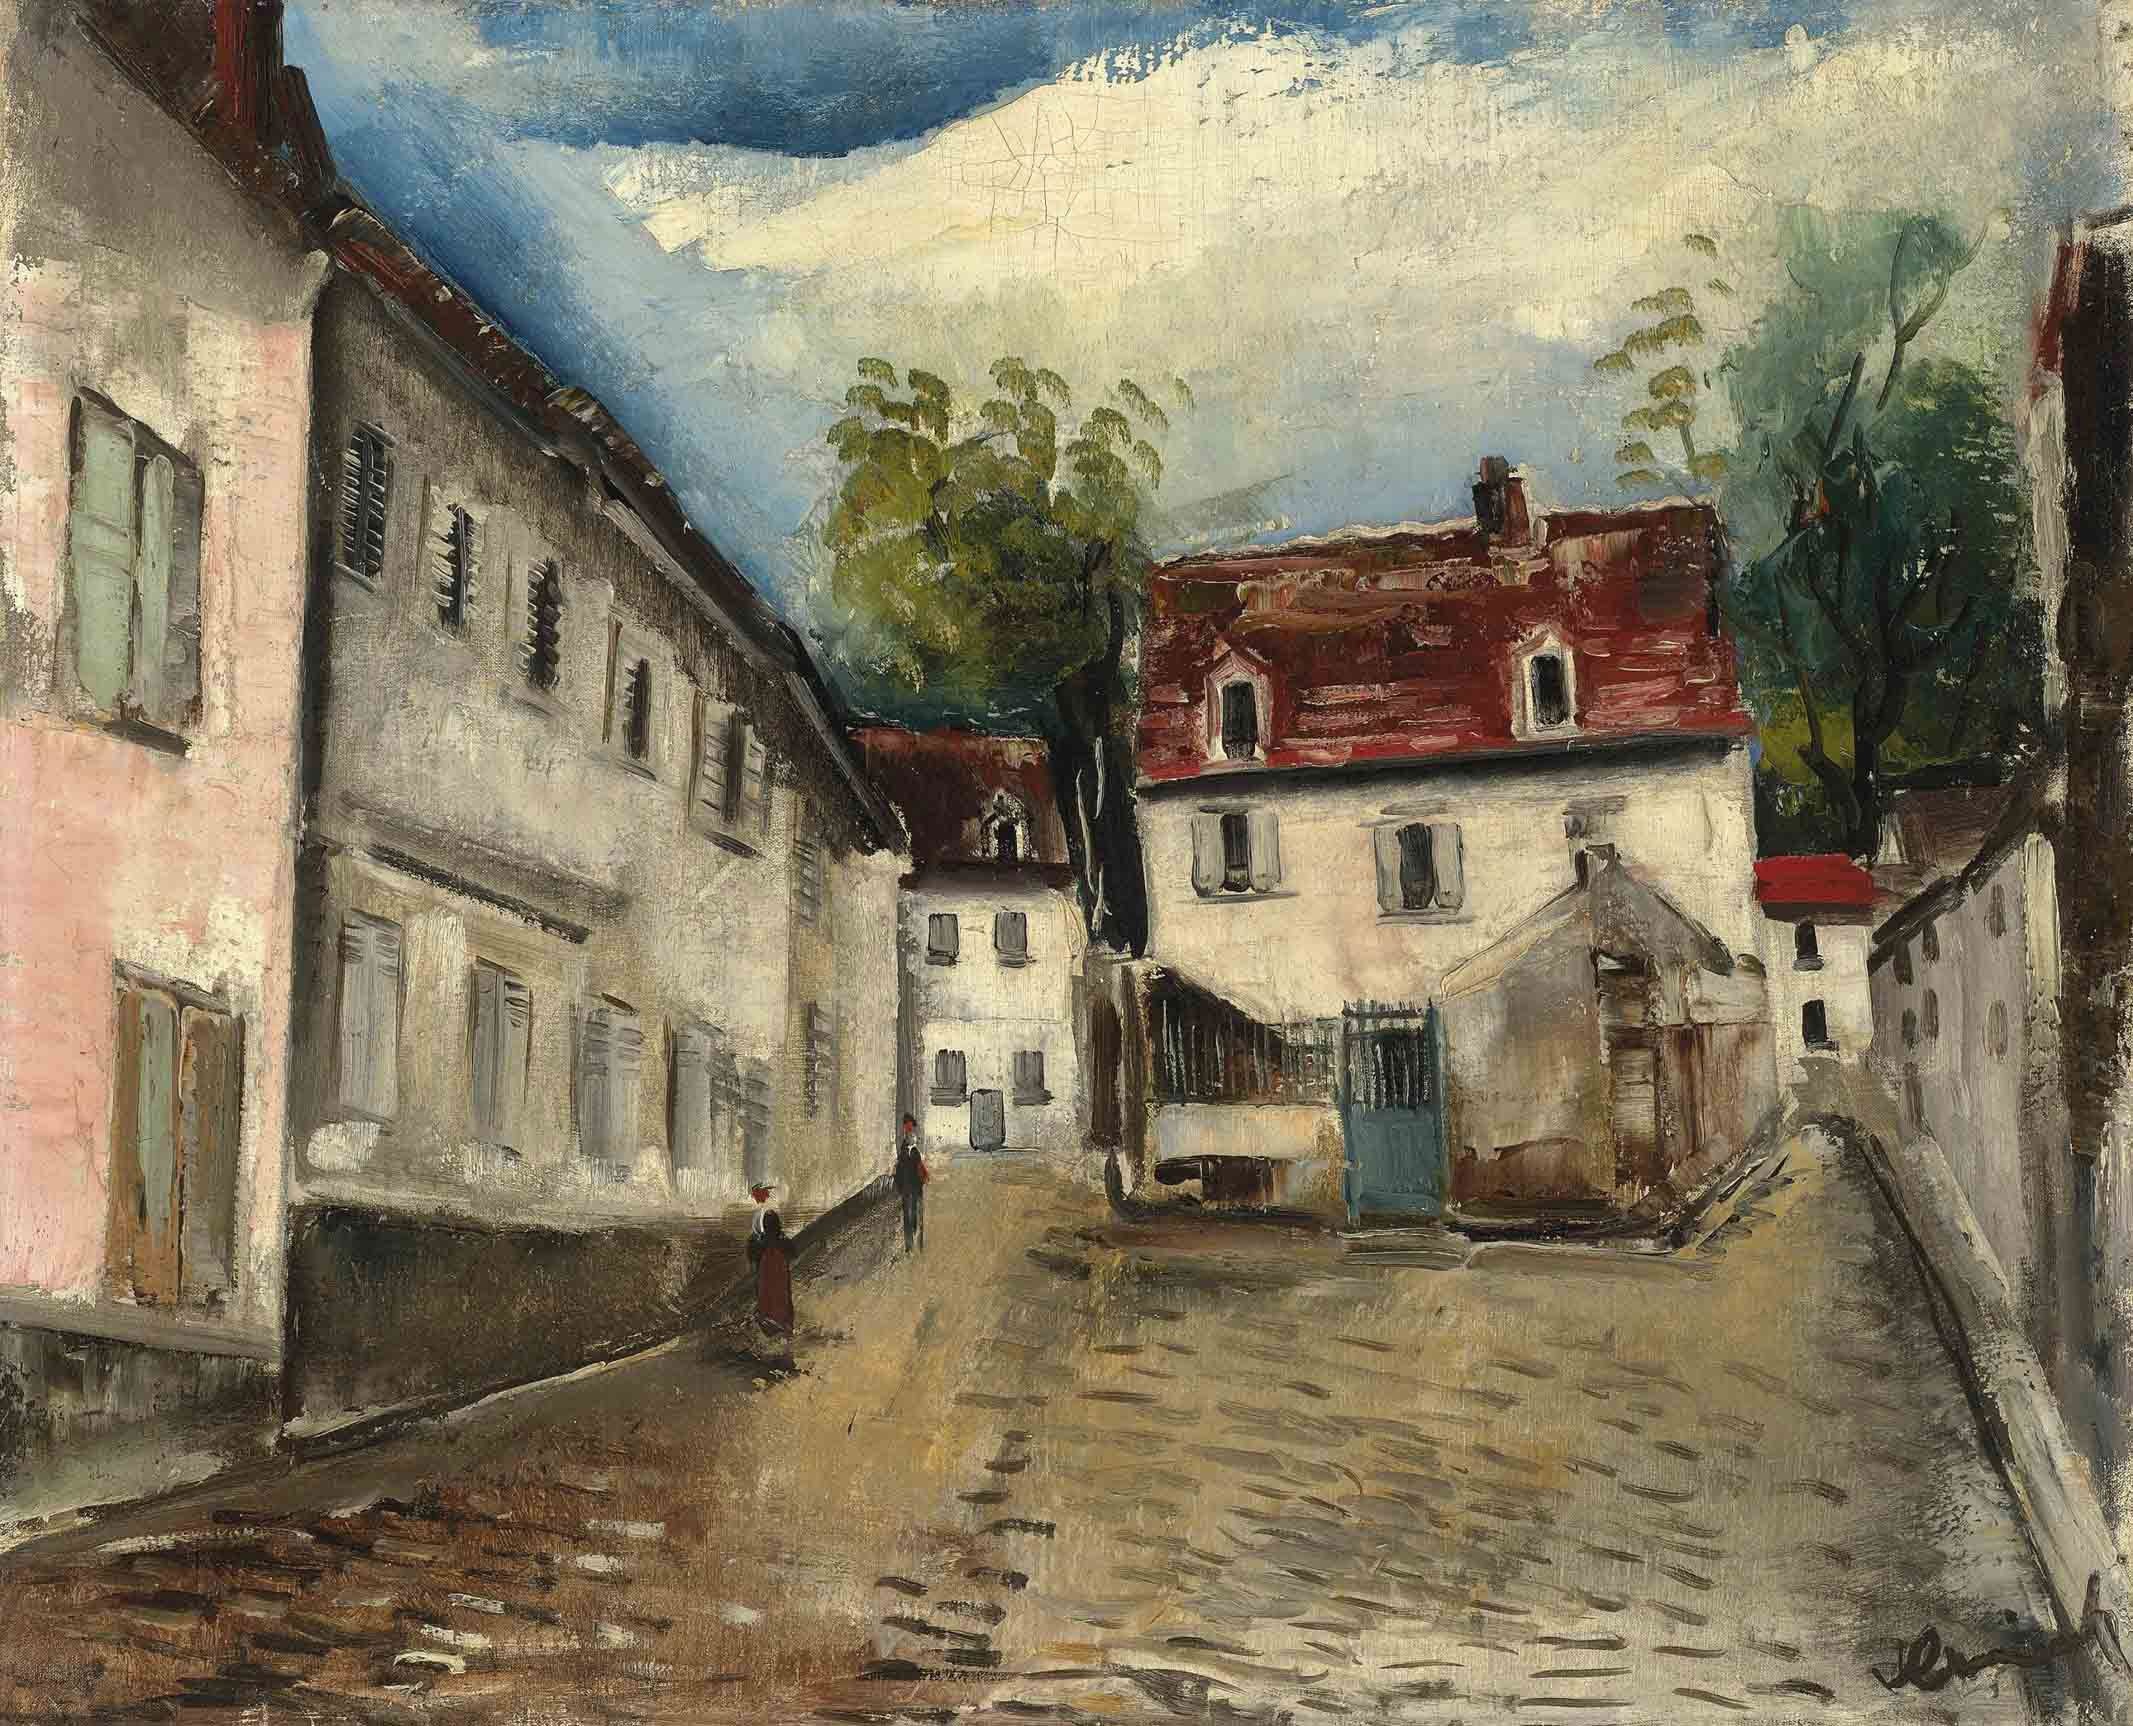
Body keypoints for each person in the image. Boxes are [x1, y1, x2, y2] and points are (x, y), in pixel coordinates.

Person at [753, 1208, 795, 1367]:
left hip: (769, 1290)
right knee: (783, 1323)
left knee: (770, 1321)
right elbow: (793, 1253)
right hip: (778, 1290)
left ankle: (774, 1358)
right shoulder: (783, 1244)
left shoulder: (761, 1245)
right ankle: (783, 1357)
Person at [893, 1115, 928, 1254]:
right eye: (908, 1129)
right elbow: (899, 1171)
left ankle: (918, 1245)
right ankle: (909, 1247)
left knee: (916, 1217)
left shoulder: (915, 1152)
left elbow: (920, 1171)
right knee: (909, 1217)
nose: (910, 1132)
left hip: (915, 1189)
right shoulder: (904, 1151)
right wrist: (900, 1187)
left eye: (911, 1129)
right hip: (908, 1190)